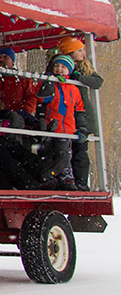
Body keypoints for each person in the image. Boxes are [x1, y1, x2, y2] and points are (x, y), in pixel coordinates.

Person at [57, 36, 104, 190]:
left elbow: (98, 81)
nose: (83, 53)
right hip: (65, 113)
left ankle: (81, 183)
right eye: (79, 50)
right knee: (62, 149)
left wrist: (80, 78)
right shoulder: (59, 65)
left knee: (80, 150)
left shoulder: (85, 67)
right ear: (70, 52)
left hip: (81, 113)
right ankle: (64, 180)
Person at [38, 53, 85, 190]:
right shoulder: (50, 83)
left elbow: (79, 110)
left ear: (69, 70)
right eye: (56, 66)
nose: (59, 69)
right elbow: (42, 98)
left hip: (66, 129)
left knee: (63, 155)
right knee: (47, 155)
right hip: (51, 127)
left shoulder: (74, 88)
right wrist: (49, 81)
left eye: (63, 67)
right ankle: (48, 179)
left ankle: (63, 179)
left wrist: (82, 127)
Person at [0, 46, 40, 129]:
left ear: (12, 61)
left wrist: (23, 112)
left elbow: (32, 97)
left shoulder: (23, 78)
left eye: (5, 57)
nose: (2, 59)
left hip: (18, 118)